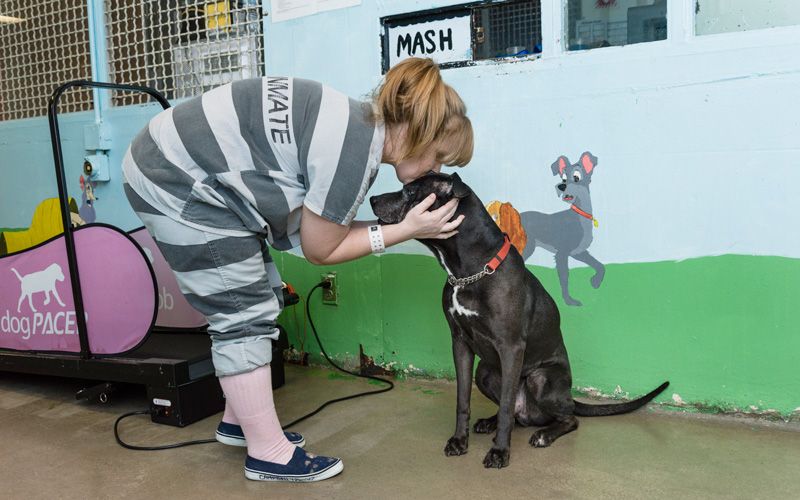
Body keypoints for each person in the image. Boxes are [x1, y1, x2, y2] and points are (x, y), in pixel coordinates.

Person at [122, 57, 473, 482]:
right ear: (418, 132)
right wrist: (406, 230)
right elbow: (321, 249)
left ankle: (240, 424)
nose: (436, 170)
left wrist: (403, 226)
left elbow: (320, 227)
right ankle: (268, 453)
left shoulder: (355, 123)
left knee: (262, 293)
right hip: (175, 179)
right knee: (242, 313)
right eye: (437, 157)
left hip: (179, 165)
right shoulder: (353, 151)